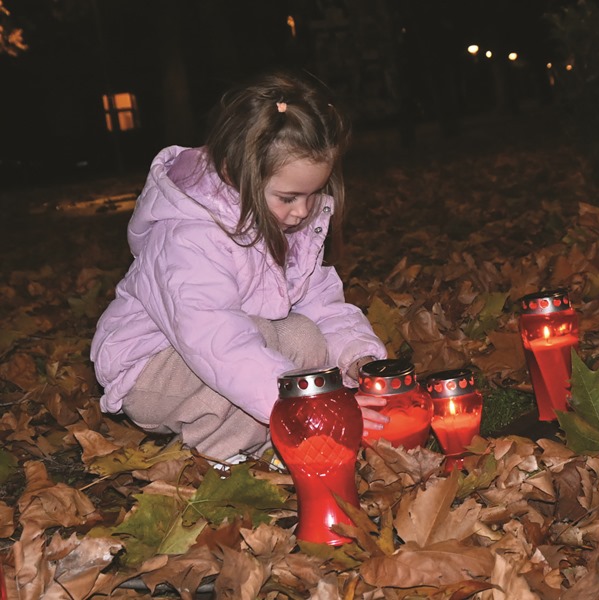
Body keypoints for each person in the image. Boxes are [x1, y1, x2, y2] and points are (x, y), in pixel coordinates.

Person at [91, 69, 389, 463]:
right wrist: (306, 407)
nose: (302, 211)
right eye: (288, 197)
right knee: (255, 361)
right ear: (237, 171)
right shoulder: (188, 235)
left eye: (315, 193)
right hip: (152, 368)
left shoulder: (286, 221)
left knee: (303, 336)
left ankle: (276, 439)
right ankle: (225, 457)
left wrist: (358, 357)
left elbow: (323, 305)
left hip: (225, 350)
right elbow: (218, 343)